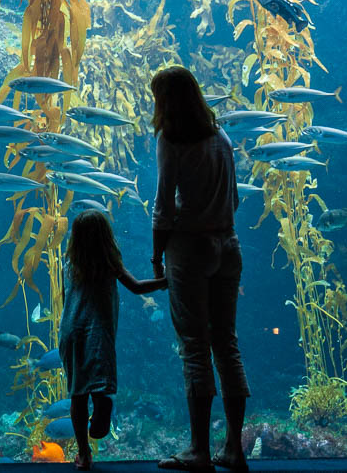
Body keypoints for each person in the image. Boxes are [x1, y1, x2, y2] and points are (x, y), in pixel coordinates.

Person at [149, 66, 250, 473]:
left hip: (189, 249)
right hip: (228, 245)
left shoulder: (170, 140)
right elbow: (236, 198)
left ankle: (198, 450)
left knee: (194, 346)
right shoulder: (220, 136)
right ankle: (234, 450)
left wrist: (157, 258)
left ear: (166, 101)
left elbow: (163, 206)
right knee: (226, 344)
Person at [59, 210, 167, 470]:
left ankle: (84, 455)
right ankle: (103, 401)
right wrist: (167, 281)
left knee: (77, 394)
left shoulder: (68, 264)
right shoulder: (108, 262)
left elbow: (65, 299)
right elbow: (138, 287)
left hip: (71, 331)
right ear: (106, 236)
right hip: (97, 331)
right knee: (99, 381)